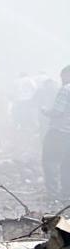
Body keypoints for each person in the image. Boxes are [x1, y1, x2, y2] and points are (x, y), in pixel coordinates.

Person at [42, 65, 70, 200]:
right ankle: (66, 194)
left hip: (59, 132)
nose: (61, 80)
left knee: (50, 161)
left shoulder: (66, 89)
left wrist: (45, 111)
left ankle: (53, 195)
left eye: (62, 77)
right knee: (67, 164)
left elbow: (57, 112)